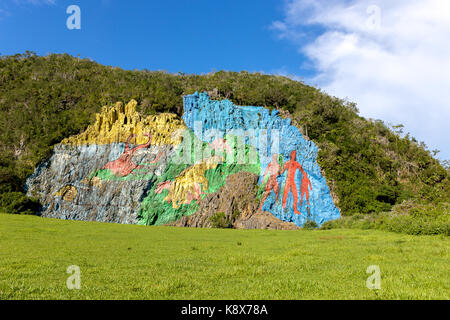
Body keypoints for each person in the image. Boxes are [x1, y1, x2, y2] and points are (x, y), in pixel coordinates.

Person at [281, 150, 303, 215]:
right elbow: (282, 171)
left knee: (295, 195)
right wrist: (278, 172)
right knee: (285, 193)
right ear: (291, 155)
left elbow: (302, 171)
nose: (294, 155)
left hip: (292, 181)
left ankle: (295, 209)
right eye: (293, 154)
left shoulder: (296, 163)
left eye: (295, 154)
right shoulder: (287, 163)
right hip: (288, 180)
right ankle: (283, 207)